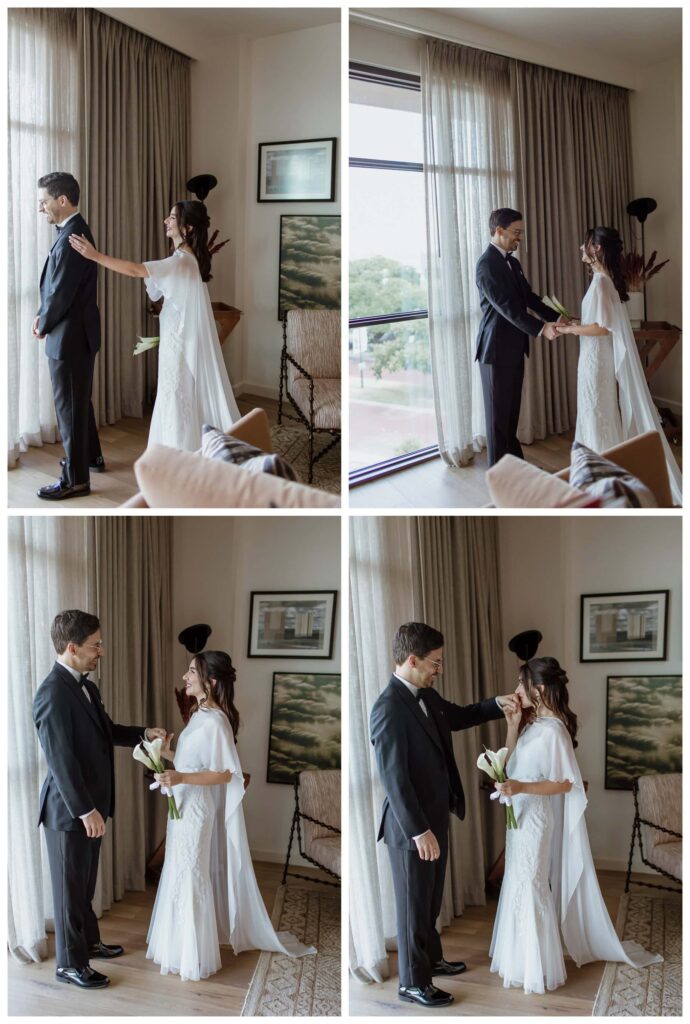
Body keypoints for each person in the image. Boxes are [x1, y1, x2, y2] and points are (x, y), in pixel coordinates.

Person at [489, 656, 663, 995]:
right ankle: (518, 960)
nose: (515, 692)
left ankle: (536, 967)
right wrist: (512, 727)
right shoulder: (532, 724)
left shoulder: (554, 730)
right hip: (519, 814)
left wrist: (522, 787)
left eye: (520, 686)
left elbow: (566, 784)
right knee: (517, 881)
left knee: (531, 883)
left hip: (536, 816)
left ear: (538, 688)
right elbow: (507, 764)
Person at [369, 622, 519, 1008]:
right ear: (413, 659)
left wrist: (496, 704)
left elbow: (459, 716)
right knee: (412, 906)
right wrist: (419, 831)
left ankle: (431, 960)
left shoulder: (427, 695)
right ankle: (412, 983)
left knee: (431, 899)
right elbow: (394, 779)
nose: (440, 669)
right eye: (435, 662)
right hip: (410, 829)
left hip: (437, 816)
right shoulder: (387, 708)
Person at [146, 651, 315, 981]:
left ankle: (194, 956)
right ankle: (176, 948)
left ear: (210, 681)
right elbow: (190, 760)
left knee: (192, 874)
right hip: (181, 807)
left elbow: (225, 774)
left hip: (196, 810)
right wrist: (162, 752)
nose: (185, 677)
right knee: (177, 872)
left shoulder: (217, 721)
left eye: (191, 672)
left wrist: (179, 777)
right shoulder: (198, 714)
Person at [32, 610, 167, 989]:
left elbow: (105, 731)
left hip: (92, 807)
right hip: (69, 812)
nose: (101, 652)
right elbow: (60, 761)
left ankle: (88, 943)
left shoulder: (86, 686)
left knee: (85, 884)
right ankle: (69, 964)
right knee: (69, 891)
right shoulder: (52, 693)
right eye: (96, 645)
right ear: (72, 648)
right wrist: (85, 809)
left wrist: (143, 732)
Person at [68, 200, 240, 452]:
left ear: (188, 228)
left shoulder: (182, 261)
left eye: (172, 218)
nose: (166, 221)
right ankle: (184, 450)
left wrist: (95, 256)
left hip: (178, 344)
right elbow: (159, 293)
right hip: (175, 340)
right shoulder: (186, 260)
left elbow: (136, 271)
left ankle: (177, 455)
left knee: (175, 396)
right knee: (177, 396)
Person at [554, 227, 682, 504]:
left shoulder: (601, 282)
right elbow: (600, 321)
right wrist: (577, 323)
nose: (580, 248)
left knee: (595, 411)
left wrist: (567, 331)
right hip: (595, 358)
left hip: (595, 359)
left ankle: (597, 476)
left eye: (585, 244)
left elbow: (601, 329)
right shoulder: (605, 279)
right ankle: (599, 472)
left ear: (596, 248)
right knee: (598, 411)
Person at [34, 172, 105, 501]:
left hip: (69, 337)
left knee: (69, 408)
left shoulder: (73, 235)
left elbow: (61, 292)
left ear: (62, 200)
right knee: (78, 401)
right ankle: (91, 457)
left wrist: (43, 322)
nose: (41, 208)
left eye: (44, 201)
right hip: (77, 334)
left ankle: (75, 480)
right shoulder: (73, 231)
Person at [475, 208, 564, 468]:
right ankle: (499, 478)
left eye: (520, 232)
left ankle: (514, 469)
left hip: (514, 347)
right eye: (516, 232)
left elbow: (528, 298)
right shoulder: (486, 265)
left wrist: (559, 318)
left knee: (511, 416)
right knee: (497, 421)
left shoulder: (513, 263)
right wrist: (540, 328)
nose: (520, 238)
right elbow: (506, 307)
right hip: (494, 351)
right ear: (499, 231)